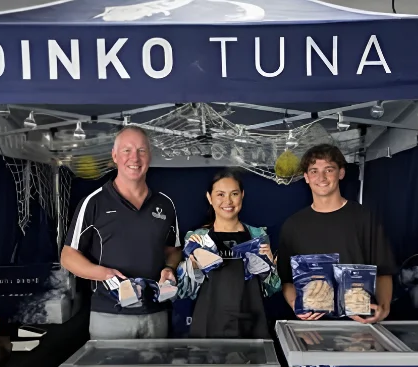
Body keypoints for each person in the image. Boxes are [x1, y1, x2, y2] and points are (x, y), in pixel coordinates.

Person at [60, 126, 182, 339]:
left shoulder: (165, 204)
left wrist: (169, 268)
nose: (134, 158)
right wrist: (104, 274)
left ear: (149, 156)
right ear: (114, 156)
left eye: (141, 150)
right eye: (126, 150)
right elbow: (68, 257)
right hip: (109, 316)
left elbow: (173, 250)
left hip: (156, 314)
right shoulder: (93, 203)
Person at [277, 144, 396, 323]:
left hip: (359, 325)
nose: (321, 177)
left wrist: (384, 309)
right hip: (313, 328)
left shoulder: (364, 218)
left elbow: (383, 270)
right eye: (314, 171)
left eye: (329, 169)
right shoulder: (293, 225)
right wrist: (296, 305)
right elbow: (286, 279)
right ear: (306, 177)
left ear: (341, 173)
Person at [177, 169, 281, 338]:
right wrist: (193, 267)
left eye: (234, 194)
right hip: (208, 324)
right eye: (220, 194)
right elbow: (184, 292)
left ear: (242, 196)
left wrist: (270, 269)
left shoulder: (258, 236)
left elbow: (271, 289)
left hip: (252, 324)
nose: (228, 201)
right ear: (209, 198)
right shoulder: (197, 239)